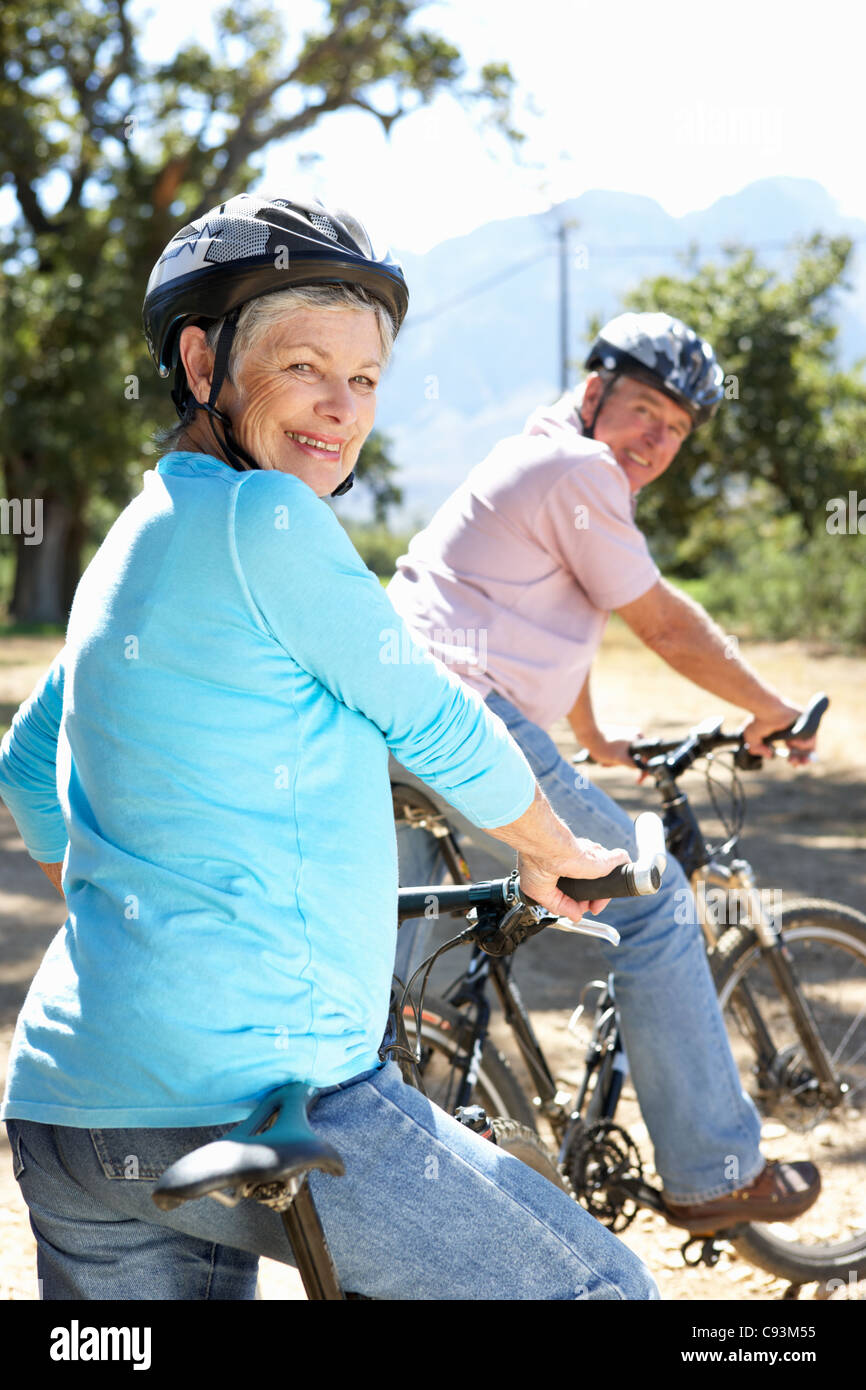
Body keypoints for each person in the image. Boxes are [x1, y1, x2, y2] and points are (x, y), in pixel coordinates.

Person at [0, 194, 658, 1301]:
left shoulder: (133, 541)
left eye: (362, 382)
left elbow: (27, 764)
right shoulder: (270, 518)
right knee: (602, 1294)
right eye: (305, 367)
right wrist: (550, 847)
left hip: (71, 1110)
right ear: (202, 358)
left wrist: (138, 916)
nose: (339, 409)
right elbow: (432, 716)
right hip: (257, 1092)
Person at [388, 311, 821, 1233]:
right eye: (645, 411)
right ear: (595, 394)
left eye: (677, 429)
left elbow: (554, 611)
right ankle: (711, 1174)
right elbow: (660, 621)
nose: (657, 441)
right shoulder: (580, 468)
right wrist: (769, 707)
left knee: (409, 975)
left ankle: (411, 1162)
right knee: (650, 898)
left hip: (393, 717)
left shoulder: (545, 463)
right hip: (460, 714)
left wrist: (597, 734)